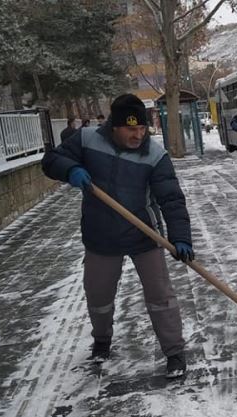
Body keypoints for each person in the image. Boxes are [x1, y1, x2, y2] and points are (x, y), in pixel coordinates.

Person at [41, 94, 193, 378]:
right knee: (98, 296)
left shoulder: (155, 155)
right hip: (101, 235)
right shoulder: (87, 139)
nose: (138, 135)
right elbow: (52, 160)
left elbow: (171, 199)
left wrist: (181, 237)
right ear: (114, 126)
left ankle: (174, 352)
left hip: (144, 234)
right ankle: (102, 340)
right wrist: (70, 169)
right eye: (130, 129)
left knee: (161, 297)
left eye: (142, 128)